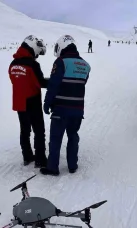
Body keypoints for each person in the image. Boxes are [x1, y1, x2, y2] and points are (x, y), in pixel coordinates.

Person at [40, 35, 91, 176]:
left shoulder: (61, 62)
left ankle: (52, 167)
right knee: (73, 136)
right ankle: (72, 165)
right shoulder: (86, 65)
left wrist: (47, 102)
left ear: (62, 46)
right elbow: (81, 84)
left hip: (61, 109)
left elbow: (53, 85)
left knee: (56, 139)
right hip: (78, 110)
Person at [8, 35, 48, 168]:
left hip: (19, 102)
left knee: (24, 130)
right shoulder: (33, 65)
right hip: (33, 100)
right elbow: (41, 82)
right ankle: (40, 159)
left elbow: (14, 81)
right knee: (39, 130)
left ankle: (27, 156)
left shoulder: (12, 64)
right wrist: (54, 81)